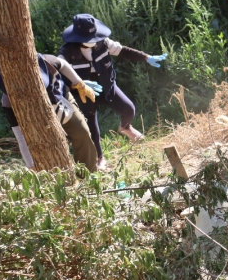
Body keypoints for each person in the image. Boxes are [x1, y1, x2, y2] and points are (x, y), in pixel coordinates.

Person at [59, 14, 168, 169]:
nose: (93, 40)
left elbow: (123, 51)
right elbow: (58, 73)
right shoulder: (66, 53)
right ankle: (99, 159)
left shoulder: (103, 43)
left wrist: (146, 57)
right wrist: (77, 84)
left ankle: (125, 127)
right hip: (84, 93)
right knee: (92, 125)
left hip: (106, 86)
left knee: (129, 109)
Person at [0, 53, 102, 172]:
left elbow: (64, 65)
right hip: (38, 120)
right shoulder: (9, 103)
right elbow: (21, 136)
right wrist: (31, 165)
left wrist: (79, 83)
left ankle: (87, 175)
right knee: (51, 146)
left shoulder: (46, 61)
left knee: (82, 133)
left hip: (62, 99)